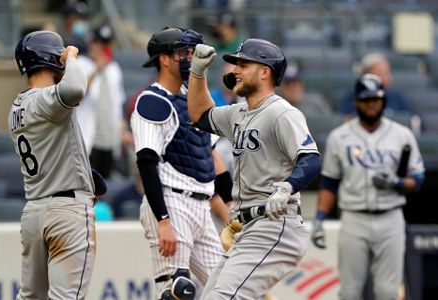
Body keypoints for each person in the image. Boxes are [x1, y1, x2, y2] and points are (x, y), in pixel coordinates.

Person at [187, 38, 321, 299]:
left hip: (274, 223)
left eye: (243, 64)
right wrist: (198, 73)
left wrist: (288, 187)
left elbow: (311, 158)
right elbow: (199, 115)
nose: (235, 70)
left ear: (264, 71)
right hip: (247, 227)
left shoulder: (282, 113)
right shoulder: (239, 113)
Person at [130, 27, 234, 300]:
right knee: (176, 291)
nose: (190, 57)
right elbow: (146, 162)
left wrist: (233, 206)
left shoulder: (194, 98)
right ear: (164, 59)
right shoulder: (152, 101)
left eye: (191, 52)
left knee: (228, 289)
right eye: (183, 52)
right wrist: (162, 220)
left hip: (202, 206)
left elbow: (210, 156)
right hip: (171, 201)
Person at [311, 74, 425, 299]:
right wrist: (319, 219)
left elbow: (418, 178)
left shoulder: (402, 135)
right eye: (366, 100)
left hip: (391, 217)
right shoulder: (339, 137)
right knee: (350, 292)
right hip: (354, 218)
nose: (371, 105)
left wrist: (398, 183)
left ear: (383, 100)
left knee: (388, 292)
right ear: (356, 101)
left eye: (375, 99)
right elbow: (330, 182)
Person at [9, 31, 99, 299]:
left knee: (31, 297)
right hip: (66, 213)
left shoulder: (16, 106)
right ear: (51, 58)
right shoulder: (46, 99)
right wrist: (71, 56)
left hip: (35, 211)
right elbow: (75, 88)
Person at [76, 24, 126, 178]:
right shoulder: (80, 64)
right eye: (99, 43)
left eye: (106, 44)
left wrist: (122, 127)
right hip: (87, 138)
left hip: (109, 139)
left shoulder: (114, 69)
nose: (103, 48)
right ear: (91, 43)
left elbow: (118, 102)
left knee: (105, 185)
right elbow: (77, 93)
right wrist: (96, 69)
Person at [340, 52, 410, 120]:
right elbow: (349, 121)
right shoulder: (352, 97)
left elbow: (406, 119)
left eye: (388, 72)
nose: (387, 76)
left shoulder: (396, 96)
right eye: (381, 73)